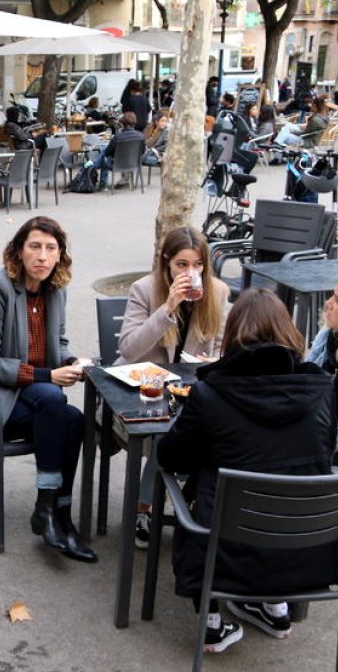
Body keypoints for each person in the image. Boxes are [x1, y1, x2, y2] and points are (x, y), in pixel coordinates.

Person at [159, 289, 338, 653]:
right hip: (307, 553)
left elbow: (170, 457)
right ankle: (273, 606)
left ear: (234, 335)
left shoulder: (210, 395)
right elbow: (324, 452)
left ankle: (211, 624)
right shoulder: (321, 390)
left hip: (224, 556)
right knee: (284, 473)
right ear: (287, 332)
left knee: (206, 480)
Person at [0, 216, 97, 563]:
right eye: (35, 247)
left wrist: (74, 361)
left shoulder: (55, 289)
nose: (42, 256)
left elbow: (57, 341)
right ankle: (47, 513)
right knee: (52, 399)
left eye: (51, 248)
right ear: (18, 251)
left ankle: (57, 514)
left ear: (60, 256)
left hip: (32, 399)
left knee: (72, 420)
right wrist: (48, 376)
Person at [116, 227, 229, 547]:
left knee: (208, 428)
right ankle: (145, 507)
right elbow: (128, 350)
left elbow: (222, 350)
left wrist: (212, 361)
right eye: (181, 265)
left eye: (197, 265)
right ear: (166, 263)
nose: (190, 273)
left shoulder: (218, 293)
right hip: (142, 391)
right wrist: (167, 309)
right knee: (174, 431)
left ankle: (191, 500)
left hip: (191, 391)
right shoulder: (145, 290)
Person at [305, 267, 338, 440]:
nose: (328, 303)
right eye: (332, 295)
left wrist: (322, 433)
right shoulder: (331, 332)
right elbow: (306, 373)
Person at [100, 112, 144, 187]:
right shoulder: (141, 136)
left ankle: (102, 183)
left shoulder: (118, 137)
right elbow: (142, 151)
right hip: (134, 163)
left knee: (102, 154)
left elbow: (107, 153)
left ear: (122, 123)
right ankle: (125, 179)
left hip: (117, 164)